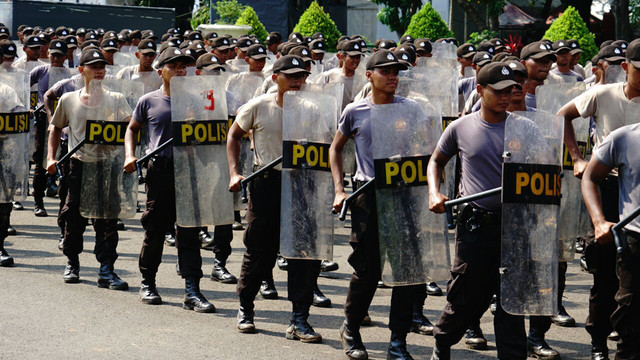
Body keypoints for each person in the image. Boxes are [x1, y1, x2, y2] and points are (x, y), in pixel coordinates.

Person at [330, 50, 427, 360]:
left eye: (396, 71)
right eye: (385, 71)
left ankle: (398, 341)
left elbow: (427, 152)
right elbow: (335, 150)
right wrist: (338, 190)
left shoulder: (412, 110)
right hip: (367, 195)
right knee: (367, 271)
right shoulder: (355, 111)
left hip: (404, 193)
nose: (393, 76)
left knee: (405, 272)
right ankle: (351, 327)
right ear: (369, 75)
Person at [427, 63, 528, 360]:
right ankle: (442, 343)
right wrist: (434, 191)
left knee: (511, 300)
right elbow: (436, 161)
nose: (505, 97)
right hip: (475, 225)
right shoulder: (461, 127)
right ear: (480, 91)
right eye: (497, 92)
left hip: (514, 225)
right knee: (466, 297)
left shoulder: (525, 128)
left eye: (509, 91)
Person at [227, 55, 322, 342]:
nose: (297, 81)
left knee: (302, 253)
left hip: (301, 184)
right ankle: (245, 308)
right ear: (275, 78)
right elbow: (234, 136)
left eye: (301, 76)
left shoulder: (311, 109)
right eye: (291, 76)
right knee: (259, 252)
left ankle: (299, 319)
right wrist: (234, 172)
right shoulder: (258, 106)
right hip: (266, 184)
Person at [558, 40, 640, 360]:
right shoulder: (604, 94)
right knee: (604, 271)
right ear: (627, 68)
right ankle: (598, 341)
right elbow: (563, 115)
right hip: (605, 185)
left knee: (631, 275)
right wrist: (577, 158)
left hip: (635, 190)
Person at [122, 47, 215, 312]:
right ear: (160, 70)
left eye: (184, 65)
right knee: (155, 230)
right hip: (160, 170)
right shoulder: (148, 100)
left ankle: (192, 291)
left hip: (190, 171)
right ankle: (148, 283)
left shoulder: (198, 101)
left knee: (189, 231)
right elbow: (133, 129)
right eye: (173, 66)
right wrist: (130, 154)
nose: (180, 70)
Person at [46, 48, 130, 290]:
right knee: (73, 216)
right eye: (93, 67)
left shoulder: (116, 99)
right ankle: (72, 261)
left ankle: (106, 269)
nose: (99, 71)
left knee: (107, 219)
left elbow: (130, 130)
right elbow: (55, 129)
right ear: (81, 70)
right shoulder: (69, 99)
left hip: (107, 166)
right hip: (78, 165)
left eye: (102, 67)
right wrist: (51, 158)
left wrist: (128, 154)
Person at [581, 116, 640, 360]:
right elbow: (590, 177)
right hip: (635, 242)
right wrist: (598, 221)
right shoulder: (625, 137)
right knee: (632, 327)